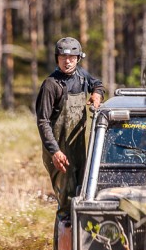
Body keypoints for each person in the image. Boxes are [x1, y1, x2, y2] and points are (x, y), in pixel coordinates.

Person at [35, 37, 105, 225]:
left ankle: (81, 249)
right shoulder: (50, 85)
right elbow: (42, 121)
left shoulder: (82, 76)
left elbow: (97, 83)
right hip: (59, 154)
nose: (68, 61)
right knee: (66, 206)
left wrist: (97, 94)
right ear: (57, 58)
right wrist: (55, 152)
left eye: (72, 57)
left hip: (79, 151)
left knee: (83, 196)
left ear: (78, 58)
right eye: (63, 57)